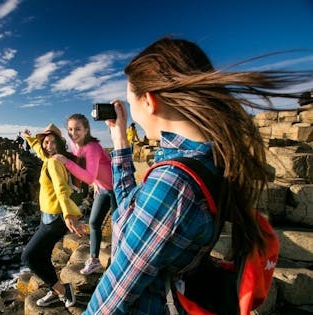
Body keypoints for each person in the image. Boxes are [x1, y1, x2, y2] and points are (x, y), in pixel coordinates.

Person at [84, 37, 312, 314]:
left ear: (149, 101)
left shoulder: (173, 184)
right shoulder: (208, 159)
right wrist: (120, 142)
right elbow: (130, 211)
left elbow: (113, 297)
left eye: (131, 101)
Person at [21, 123, 86, 308]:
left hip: (55, 219)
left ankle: (63, 291)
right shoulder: (53, 158)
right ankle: (55, 289)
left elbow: (61, 189)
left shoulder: (54, 162)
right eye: (46, 142)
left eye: (52, 142)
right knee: (42, 256)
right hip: (49, 218)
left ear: (59, 143)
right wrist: (29, 138)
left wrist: (68, 214)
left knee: (29, 257)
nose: (48, 146)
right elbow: (41, 152)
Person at [54, 114, 116, 275]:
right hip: (102, 189)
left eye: (77, 129)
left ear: (86, 130)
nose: (73, 133)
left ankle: (120, 261)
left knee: (119, 226)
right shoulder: (76, 147)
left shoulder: (92, 147)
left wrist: (66, 162)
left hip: (116, 189)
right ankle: (94, 261)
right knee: (94, 222)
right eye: (70, 129)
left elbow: (88, 176)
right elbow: (93, 172)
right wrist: (96, 182)